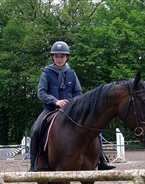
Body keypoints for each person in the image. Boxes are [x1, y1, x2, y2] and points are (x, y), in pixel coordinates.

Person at [29, 40, 115, 171]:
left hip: (71, 110)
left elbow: (79, 92)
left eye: (62, 56)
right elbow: (41, 93)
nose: (59, 59)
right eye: (57, 56)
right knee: (36, 129)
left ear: (66, 57)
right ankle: (34, 163)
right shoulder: (46, 73)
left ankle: (101, 159)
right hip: (51, 109)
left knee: (94, 126)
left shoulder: (72, 73)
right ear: (53, 57)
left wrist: (73, 103)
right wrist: (55, 101)